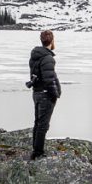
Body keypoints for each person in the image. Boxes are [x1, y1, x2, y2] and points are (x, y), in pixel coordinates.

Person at [29, 29, 61, 160]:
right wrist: (55, 94)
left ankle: (36, 150)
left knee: (38, 123)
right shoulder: (48, 58)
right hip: (45, 95)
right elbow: (49, 80)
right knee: (43, 125)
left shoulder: (36, 56)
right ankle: (38, 153)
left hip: (37, 93)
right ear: (52, 41)